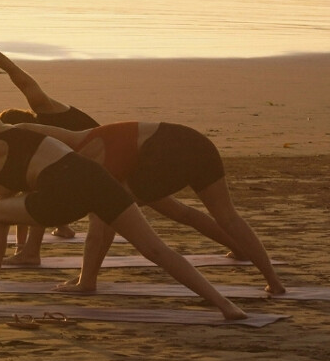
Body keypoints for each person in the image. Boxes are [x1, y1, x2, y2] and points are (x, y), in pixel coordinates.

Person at [0, 28, 246, 320]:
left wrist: (23, 249)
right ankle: (224, 303)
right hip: (97, 179)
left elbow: (9, 221)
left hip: (62, 196)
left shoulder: (0, 179)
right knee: (156, 249)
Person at [54, 122, 285, 296]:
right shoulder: (99, 140)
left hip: (163, 152)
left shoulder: (97, 157)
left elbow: (102, 224)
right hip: (197, 143)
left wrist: (86, 280)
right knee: (222, 216)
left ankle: (87, 281)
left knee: (104, 212)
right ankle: (273, 281)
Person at [0, 34, 101, 264]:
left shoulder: (44, 108)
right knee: (37, 182)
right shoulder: (32, 140)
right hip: (75, 169)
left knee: (37, 188)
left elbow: (14, 72)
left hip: (100, 155)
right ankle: (42, 240)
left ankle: (30, 252)